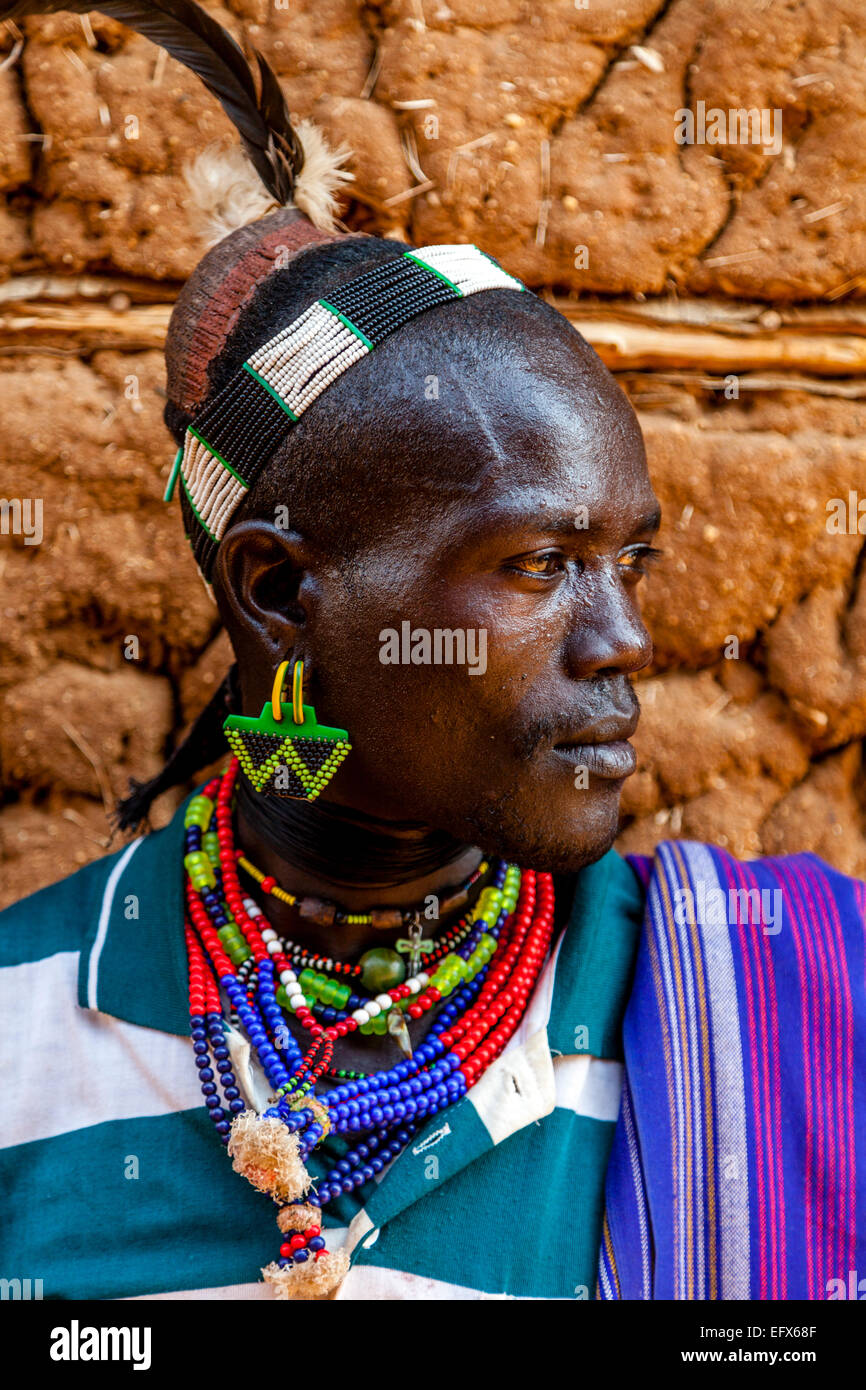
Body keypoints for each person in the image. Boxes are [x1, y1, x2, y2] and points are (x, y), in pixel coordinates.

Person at [1, 0, 864, 1302]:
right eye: (536, 565)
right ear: (282, 594)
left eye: (627, 560)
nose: (626, 638)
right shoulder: (22, 1037)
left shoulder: (797, 1014)